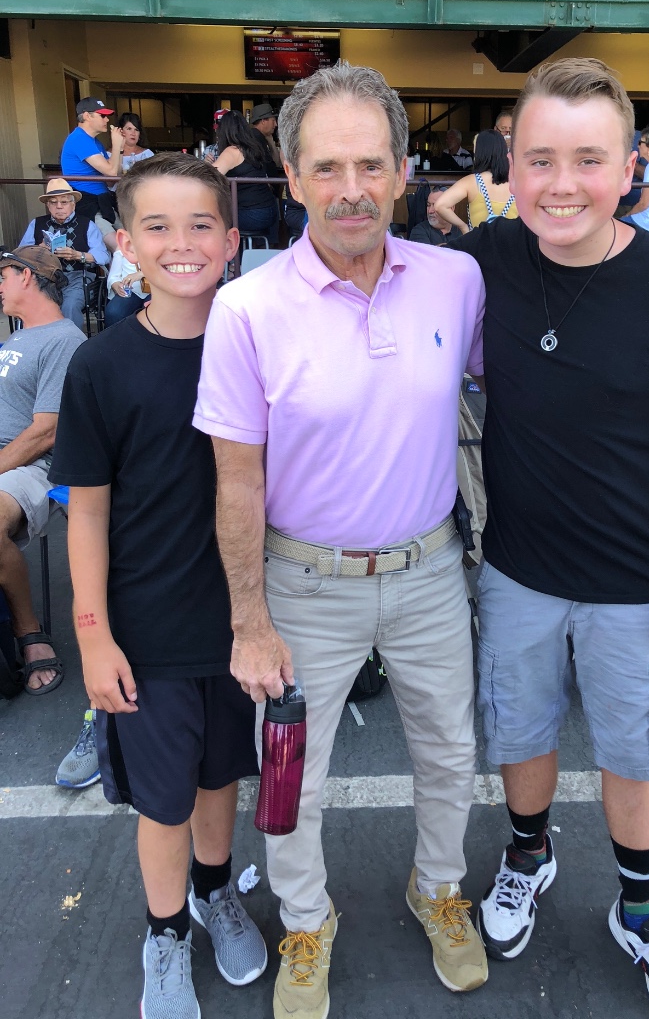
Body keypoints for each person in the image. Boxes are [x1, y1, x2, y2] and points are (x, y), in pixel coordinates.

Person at [452, 57, 649, 1019]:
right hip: (518, 569)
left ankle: (642, 910)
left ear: (631, 172)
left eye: (588, 160)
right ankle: (528, 854)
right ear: (512, 169)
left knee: (633, 755)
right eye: (540, 159)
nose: (562, 183)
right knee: (521, 732)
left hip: (634, 580)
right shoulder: (486, 258)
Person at [193, 60, 489, 1019]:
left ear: (404, 171)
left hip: (430, 572)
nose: (350, 188)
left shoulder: (457, 281)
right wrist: (249, 621)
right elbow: (237, 479)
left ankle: (438, 888)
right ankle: (305, 921)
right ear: (291, 176)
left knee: (449, 753)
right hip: (303, 587)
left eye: (370, 164)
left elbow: (538, 377)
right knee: (292, 781)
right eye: (326, 167)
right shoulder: (246, 308)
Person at [49, 154, 267, 1018]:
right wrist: (93, 633)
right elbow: (87, 513)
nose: (183, 243)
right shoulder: (102, 366)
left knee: (221, 776)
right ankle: (166, 929)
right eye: (158, 226)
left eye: (201, 224)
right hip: (147, 627)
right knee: (165, 797)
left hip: (243, 618)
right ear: (126, 245)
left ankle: (215, 891)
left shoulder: (257, 346)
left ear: (232, 240)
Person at [0, 246, 85, 695]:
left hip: (32, 466)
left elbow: (46, 432)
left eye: (3, 276)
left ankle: (29, 634)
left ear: (27, 276)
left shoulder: (64, 340)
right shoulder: (16, 338)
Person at [19, 178, 110, 330]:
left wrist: (77, 255)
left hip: (78, 277)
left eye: (64, 202)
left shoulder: (87, 224)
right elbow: (20, 255)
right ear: (48, 205)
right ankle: (40, 341)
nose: (59, 206)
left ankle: (71, 342)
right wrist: (39, 249)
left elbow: (103, 256)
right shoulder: (36, 224)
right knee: (33, 302)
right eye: (53, 202)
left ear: (73, 204)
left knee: (70, 305)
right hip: (44, 278)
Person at [60, 97, 124, 253]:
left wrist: (120, 149)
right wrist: (116, 145)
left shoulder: (95, 142)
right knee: (120, 247)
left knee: (129, 242)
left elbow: (113, 178)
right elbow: (111, 172)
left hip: (103, 202)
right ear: (87, 116)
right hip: (87, 205)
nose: (107, 120)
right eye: (102, 115)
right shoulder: (79, 139)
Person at [210, 110, 279, 243]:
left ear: (224, 131)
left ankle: (227, 256)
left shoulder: (232, 151)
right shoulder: (254, 148)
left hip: (252, 214)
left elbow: (209, 177)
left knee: (213, 219)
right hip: (269, 210)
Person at [434, 129, 517, 234]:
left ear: (480, 152)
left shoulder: (472, 181)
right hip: (512, 243)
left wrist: (463, 227)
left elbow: (439, 205)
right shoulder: (518, 182)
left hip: (478, 243)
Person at [104, 246, 148, 327]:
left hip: (155, 291)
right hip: (131, 291)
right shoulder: (123, 246)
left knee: (150, 314)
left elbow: (166, 269)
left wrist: (141, 274)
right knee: (114, 311)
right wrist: (117, 286)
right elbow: (113, 276)